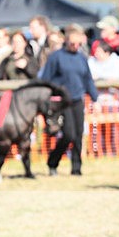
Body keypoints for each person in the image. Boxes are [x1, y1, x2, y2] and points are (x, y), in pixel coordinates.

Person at [40, 24, 99, 176]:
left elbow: (87, 79)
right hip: (62, 101)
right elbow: (46, 79)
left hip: (78, 99)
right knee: (68, 135)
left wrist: (95, 98)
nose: (75, 46)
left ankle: (76, 168)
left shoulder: (81, 58)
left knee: (79, 135)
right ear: (66, 41)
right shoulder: (56, 57)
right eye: (72, 43)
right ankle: (53, 161)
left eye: (78, 43)